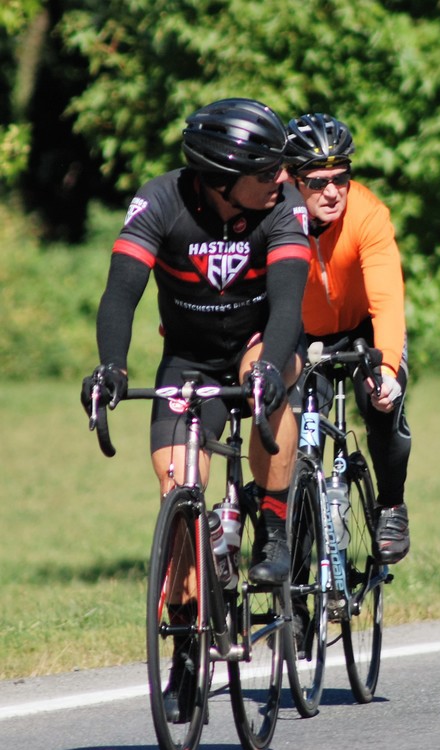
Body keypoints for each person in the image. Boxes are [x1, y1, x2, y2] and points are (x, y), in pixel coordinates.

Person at [81, 100, 309, 581]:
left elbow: (289, 303)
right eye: (268, 169)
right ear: (223, 177)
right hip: (188, 359)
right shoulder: (161, 200)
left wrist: (270, 364)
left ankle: (273, 525)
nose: (283, 177)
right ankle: (188, 637)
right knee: (180, 492)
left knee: (268, 383)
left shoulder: (285, 205)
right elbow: (121, 292)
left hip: (259, 341)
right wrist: (112, 366)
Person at [283, 112, 412, 564]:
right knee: (295, 445)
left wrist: (389, 369)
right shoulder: (275, 215)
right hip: (301, 335)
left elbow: (388, 298)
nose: (333, 191)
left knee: (382, 402)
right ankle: (294, 575)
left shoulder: (368, 213)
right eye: (318, 182)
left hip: (362, 330)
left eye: (341, 177)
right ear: (292, 180)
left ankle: (391, 504)